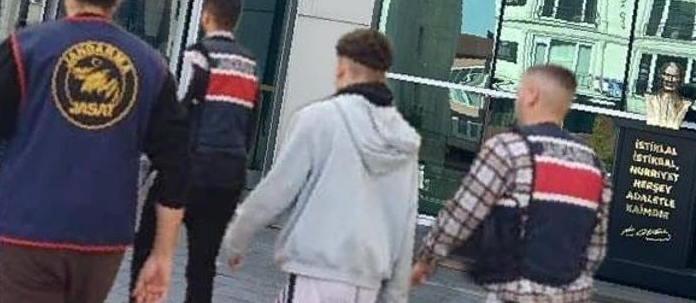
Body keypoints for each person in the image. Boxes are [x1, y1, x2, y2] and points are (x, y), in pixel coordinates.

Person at [0, 0, 191, 303]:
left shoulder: (25, 48)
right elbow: (177, 165)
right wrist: (162, 255)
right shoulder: (151, 66)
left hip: (30, 226)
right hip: (103, 236)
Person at [222, 29, 420, 303]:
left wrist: (237, 238)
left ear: (341, 69)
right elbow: (405, 224)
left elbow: (278, 189)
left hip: (314, 272)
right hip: (367, 285)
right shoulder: (404, 142)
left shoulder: (318, 119)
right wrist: (396, 295)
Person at [411, 65, 612, 303]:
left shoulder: (509, 149)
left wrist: (427, 258)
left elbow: (462, 213)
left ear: (531, 96)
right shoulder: (593, 164)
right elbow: (595, 247)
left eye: (519, 91)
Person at [130, 0, 259, 303]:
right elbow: (250, 125)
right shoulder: (250, 65)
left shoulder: (199, 55)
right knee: (203, 267)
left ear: (206, 17)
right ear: (235, 21)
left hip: (189, 170)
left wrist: (156, 162)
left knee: (147, 247)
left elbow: (178, 112)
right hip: (228, 176)